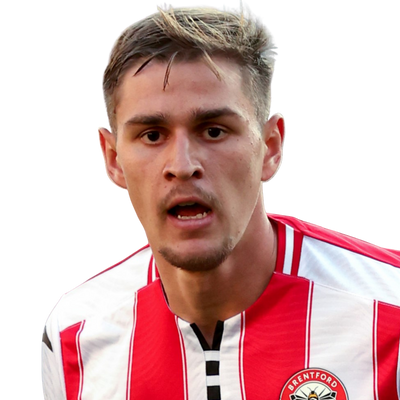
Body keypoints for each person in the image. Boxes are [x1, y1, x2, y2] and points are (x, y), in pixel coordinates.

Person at [39, 1, 400, 399]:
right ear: (111, 158)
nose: (182, 165)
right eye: (152, 135)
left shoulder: (390, 309)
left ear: (271, 146)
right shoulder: (73, 334)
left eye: (213, 131)